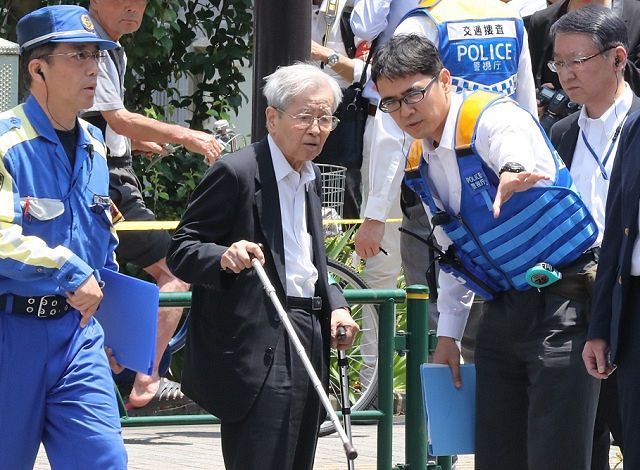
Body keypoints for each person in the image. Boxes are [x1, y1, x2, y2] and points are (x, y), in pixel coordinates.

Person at [373, 33, 600, 468]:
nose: (406, 110)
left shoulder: (490, 115)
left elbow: (511, 146)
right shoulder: (420, 161)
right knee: (496, 456)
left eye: (414, 94)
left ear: (443, 80)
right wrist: (448, 338)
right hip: (499, 313)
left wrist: (512, 170)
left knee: (557, 457)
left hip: (565, 305)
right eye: (392, 102)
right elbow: (453, 256)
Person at [166, 63, 359, 470]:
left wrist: (336, 302)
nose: (317, 129)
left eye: (326, 119)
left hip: (308, 333)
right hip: (260, 339)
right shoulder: (237, 172)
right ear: (272, 118)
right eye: (305, 117)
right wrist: (223, 256)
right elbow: (181, 249)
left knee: (298, 457)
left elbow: (308, 261)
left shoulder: (308, 176)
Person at [0, 5, 127, 468]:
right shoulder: (5, 144)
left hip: (79, 338)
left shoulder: (95, 146)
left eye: (97, 56)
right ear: (38, 68)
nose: (94, 68)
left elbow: (101, 244)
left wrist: (116, 326)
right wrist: (70, 270)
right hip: (11, 335)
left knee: (104, 461)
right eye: (78, 56)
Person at [82, 0, 223, 410]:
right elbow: (117, 117)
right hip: (106, 185)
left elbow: (102, 121)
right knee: (175, 271)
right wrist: (185, 136)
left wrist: (134, 143)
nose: (133, 9)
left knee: (102, 278)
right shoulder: (93, 45)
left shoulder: (103, 42)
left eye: (140, 2)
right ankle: (148, 377)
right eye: (123, 1)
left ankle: (111, 363)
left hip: (107, 175)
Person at [549, 7, 630, 468]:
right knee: (581, 445)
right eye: (558, 63)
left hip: (630, 299)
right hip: (574, 305)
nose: (566, 74)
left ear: (618, 58)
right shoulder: (560, 133)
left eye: (577, 60)